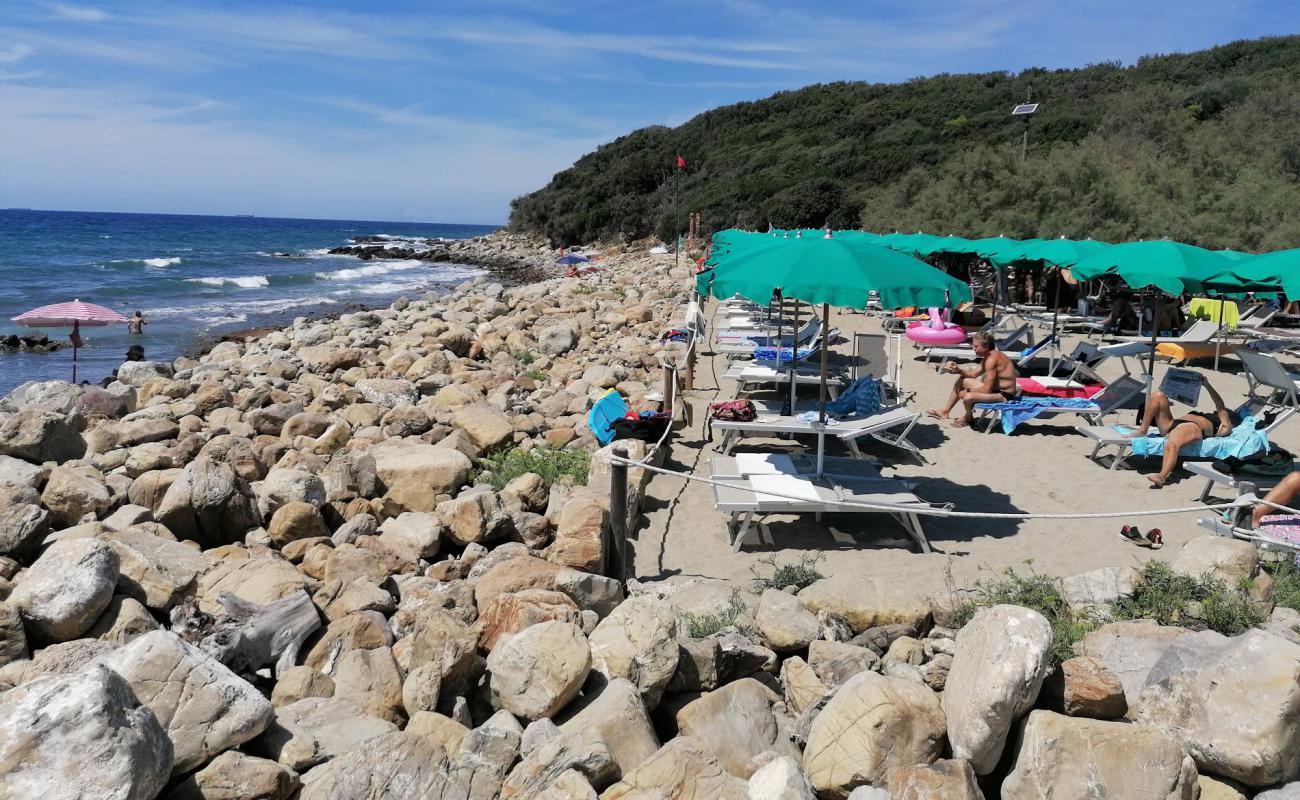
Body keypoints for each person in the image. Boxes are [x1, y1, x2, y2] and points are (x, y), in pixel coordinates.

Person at [1129, 380, 1236, 488]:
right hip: (1173, 423)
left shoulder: (1226, 426)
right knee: (1158, 395)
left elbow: (1220, 405)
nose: (1216, 412)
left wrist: (1208, 385)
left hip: (1191, 427)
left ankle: (1161, 476)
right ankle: (1142, 430)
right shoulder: (1207, 415)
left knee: (1171, 446)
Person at [926, 331, 1019, 428]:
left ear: (986, 347)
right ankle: (944, 411)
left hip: (1004, 395)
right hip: (994, 390)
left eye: (976, 346)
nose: (973, 349)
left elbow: (987, 389)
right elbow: (973, 374)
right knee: (962, 380)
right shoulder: (988, 357)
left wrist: (966, 391)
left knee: (968, 397)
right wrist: (958, 370)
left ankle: (968, 417)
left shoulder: (991, 360)